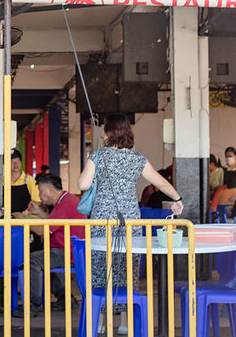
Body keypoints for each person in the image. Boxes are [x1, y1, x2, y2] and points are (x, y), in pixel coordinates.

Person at [77, 113, 183, 291]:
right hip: (130, 219)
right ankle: (126, 315)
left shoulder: (97, 156)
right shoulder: (137, 159)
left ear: (108, 133)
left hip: (102, 220)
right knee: (126, 268)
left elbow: (83, 184)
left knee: (102, 265)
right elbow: (161, 183)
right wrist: (177, 199)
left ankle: (102, 310)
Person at [13, 173, 84, 317]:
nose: (39, 195)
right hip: (67, 249)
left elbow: (41, 231)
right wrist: (38, 212)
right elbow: (53, 222)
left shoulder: (66, 202)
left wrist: (22, 220)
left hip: (68, 251)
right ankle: (65, 299)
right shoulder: (65, 199)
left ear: (50, 191)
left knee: (34, 260)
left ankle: (34, 304)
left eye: (40, 191)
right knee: (42, 261)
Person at [8, 149, 40, 216]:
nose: (16, 164)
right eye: (12, 162)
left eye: (18, 161)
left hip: (26, 217)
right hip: (8, 217)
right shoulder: (3, 181)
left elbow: (37, 201)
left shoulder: (29, 180)